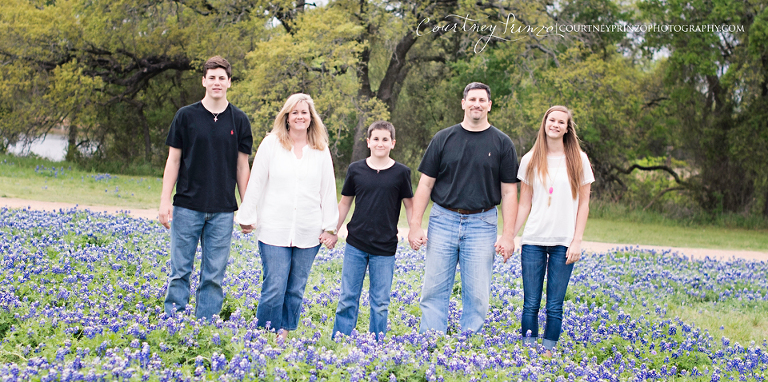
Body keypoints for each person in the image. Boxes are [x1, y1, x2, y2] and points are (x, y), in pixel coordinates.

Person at [408, 82, 519, 334]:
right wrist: (415, 225)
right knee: (434, 288)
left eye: (482, 100)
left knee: (478, 293)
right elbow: (425, 185)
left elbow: (509, 191)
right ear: (463, 103)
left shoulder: (502, 143)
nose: (476, 104)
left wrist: (508, 234)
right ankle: (431, 341)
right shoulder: (443, 138)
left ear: (489, 105)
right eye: (472, 99)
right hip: (443, 218)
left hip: (483, 222)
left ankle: (468, 345)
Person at [236, 93, 338, 341]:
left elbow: (328, 189)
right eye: (295, 112)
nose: (300, 116)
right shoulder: (271, 143)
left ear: (311, 118)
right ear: (287, 117)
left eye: (305, 112)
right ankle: (263, 335)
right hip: (274, 228)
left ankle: (283, 333)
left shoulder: (320, 150)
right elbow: (257, 181)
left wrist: (330, 227)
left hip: (308, 231)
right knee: (274, 286)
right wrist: (246, 215)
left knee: (295, 289)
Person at [159, 56, 253, 320]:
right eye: (211, 77)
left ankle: (204, 329)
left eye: (222, 78)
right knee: (180, 272)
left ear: (229, 83)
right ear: (203, 81)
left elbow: (242, 166)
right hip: (187, 206)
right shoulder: (185, 116)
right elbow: (173, 160)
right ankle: (173, 324)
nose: (216, 82)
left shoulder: (239, 120)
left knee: (214, 276)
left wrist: (247, 207)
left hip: (223, 210)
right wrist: (165, 200)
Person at [511, 105, 594, 357]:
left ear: (567, 128)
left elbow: (584, 203)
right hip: (534, 238)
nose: (555, 125)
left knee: (555, 305)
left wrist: (576, 240)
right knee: (531, 303)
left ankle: (547, 353)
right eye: (551, 120)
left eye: (561, 122)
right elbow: (524, 202)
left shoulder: (578, 159)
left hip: (563, 240)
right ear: (545, 123)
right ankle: (528, 352)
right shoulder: (530, 158)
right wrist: (511, 235)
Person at [331, 121, 414, 339]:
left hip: (385, 247)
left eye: (385, 139)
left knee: (380, 302)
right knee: (348, 297)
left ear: (393, 143)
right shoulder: (355, 169)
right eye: (375, 139)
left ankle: (376, 345)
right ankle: (340, 340)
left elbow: (410, 206)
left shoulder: (401, 173)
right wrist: (333, 231)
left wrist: (415, 230)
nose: (380, 143)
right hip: (356, 243)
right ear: (368, 142)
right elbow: (345, 203)